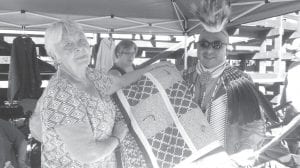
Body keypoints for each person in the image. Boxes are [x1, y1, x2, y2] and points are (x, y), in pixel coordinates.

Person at [32, 20, 170, 167]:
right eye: (67, 44)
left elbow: (120, 82)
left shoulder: (90, 75)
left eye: (81, 40)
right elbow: (88, 153)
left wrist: (153, 67)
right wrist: (117, 136)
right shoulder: (61, 93)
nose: (78, 47)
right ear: (54, 55)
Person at [183, 29, 277, 166]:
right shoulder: (182, 77)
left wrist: (244, 153)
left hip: (225, 161)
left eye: (217, 45)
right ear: (197, 46)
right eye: (204, 44)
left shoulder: (240, 81)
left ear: (226, 48)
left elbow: (254, 126)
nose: (209, 50)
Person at [108, 40, 148, 168]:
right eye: (127, 53)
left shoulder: (135, 68)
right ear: (118, 53)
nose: (131, 56)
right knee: (128, 153)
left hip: (137, 115)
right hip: (123, 118)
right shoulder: (114, 72)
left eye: (133, 53)